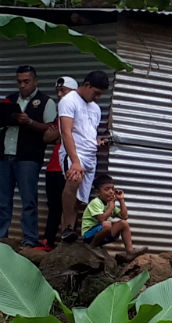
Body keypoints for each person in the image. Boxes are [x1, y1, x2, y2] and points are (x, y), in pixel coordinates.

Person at [0, 65, 57, 247]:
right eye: (19, 82)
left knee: (29, 201)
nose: (22, 85)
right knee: (2, 200)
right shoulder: (10, 100)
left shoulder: (46, 102)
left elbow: (51, 129)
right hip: (5, 155)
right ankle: (2, 237)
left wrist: (30, 122)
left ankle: (30, 239)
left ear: (35, 81)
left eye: (26, 81)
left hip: (28, 158)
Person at [58, 71, 109, 242]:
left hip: (90, 155)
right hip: (74, 153)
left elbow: (89, 132)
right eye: (96, 92)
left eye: (100, 94)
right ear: (86, 85)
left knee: (80, 199)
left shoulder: (95, 108)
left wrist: (98, 142)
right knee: (73, 181)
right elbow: (66, 132)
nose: (97, 97)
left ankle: (71, 233)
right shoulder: (69, 101)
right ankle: (67, 228)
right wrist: (75, 161)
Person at [40, 77, 78, 250]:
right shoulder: (60, 115)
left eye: (63, 91)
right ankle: (48, 241)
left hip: (69, 167)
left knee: (70, 205)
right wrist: (60, 133)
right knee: (54, 206)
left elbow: (64, 134)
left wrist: (60, 133)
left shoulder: (78, 113)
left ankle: (67, 243)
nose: (60, 95)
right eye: (58, 91)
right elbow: (47, 137)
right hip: (53, 167)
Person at [81, 174, 146, 261]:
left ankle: (130, 252)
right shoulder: (95, 202)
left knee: (124, 223)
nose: (111, 192)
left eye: (112, 189)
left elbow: (124, 216)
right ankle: (91, 247)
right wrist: (111, 207)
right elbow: (101, 219)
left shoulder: (109, 204)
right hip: (88, 235)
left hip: (101, 232)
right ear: (97, 192)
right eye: (107, 189)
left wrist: (121, 200)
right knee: (107, 224)